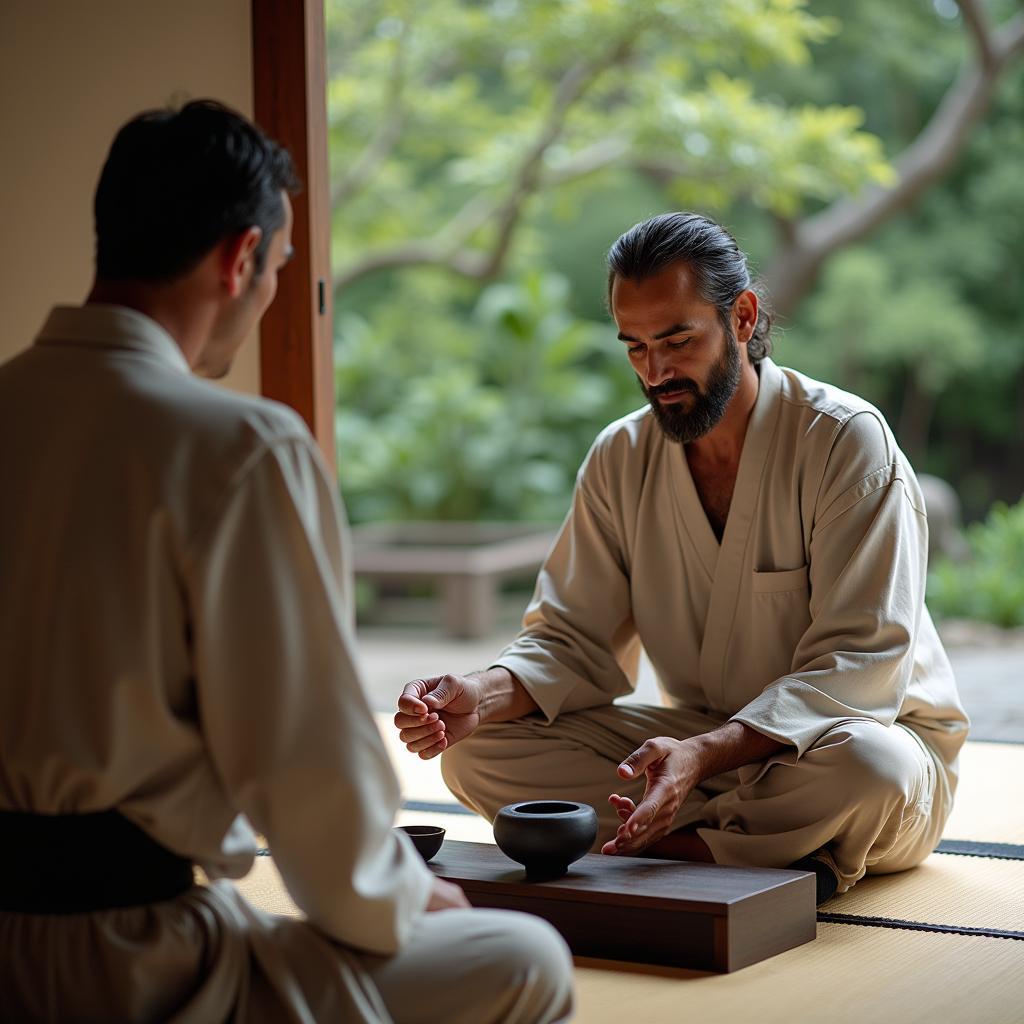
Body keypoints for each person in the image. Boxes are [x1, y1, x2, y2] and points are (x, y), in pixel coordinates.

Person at [0, 100, 573, 1024]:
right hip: (133, 962)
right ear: (240, 259)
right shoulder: (238, 446)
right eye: (279, 268)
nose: (272, 289)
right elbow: (306, 767)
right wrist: (399, 896)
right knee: (521, 958)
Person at [394, 212, 970, 904]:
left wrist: (705, 756)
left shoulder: (845, 442)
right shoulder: (620, 456)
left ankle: (665, 850)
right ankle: (741, 854)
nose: (656, 372)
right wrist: (474, 696)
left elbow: (859, 668)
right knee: (478, 751)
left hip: (848, 743)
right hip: (696, 748)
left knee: (869, 770)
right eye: (634, 347)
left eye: (677, 339)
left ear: (744, 318)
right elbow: (573, 643)